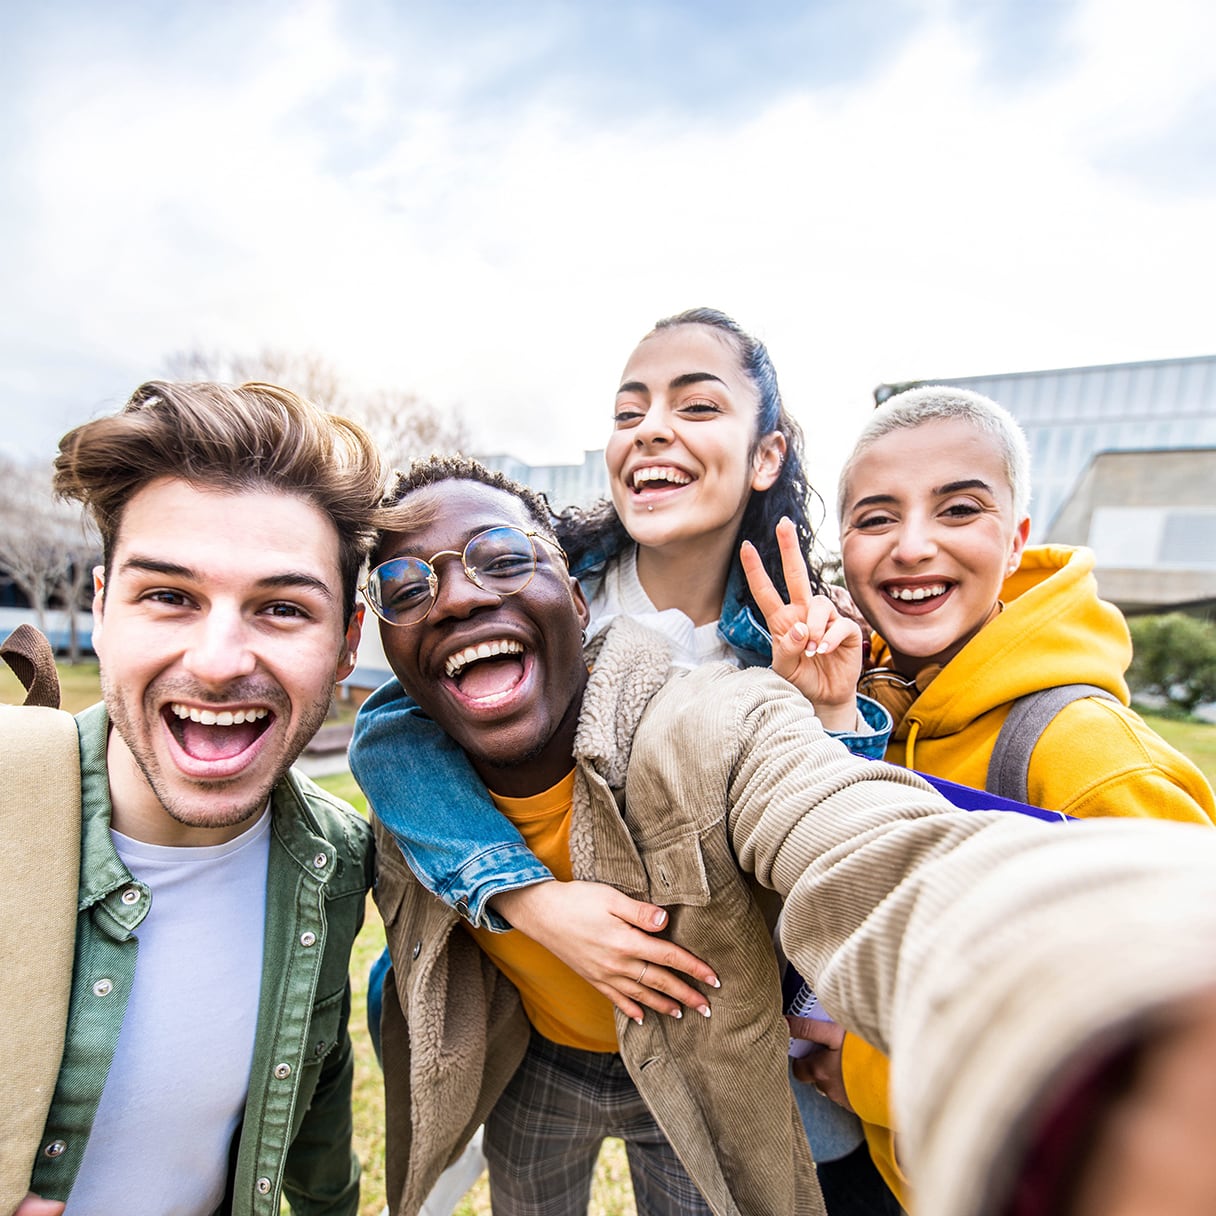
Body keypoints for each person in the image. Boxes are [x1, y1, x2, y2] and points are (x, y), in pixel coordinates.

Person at [353, 309, 895, 1208]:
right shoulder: (537, 586)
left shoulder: (791, 635)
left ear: (767, 455)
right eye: (629, 409)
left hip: (696, 1022)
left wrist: (828, 705)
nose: (651, 427)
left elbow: (822, 835)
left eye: (697, 406)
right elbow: (392, 726)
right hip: (530, 1007)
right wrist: (527, 898)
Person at [762, 384, 1216, 1205]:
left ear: (1016, 542)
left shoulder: (1085, 752)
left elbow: (1172, 1054)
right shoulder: (886, 698)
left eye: (958, 509)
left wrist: (863, 1068)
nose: (912, 545)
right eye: (875, 518)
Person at [13, 381, 385, 1215]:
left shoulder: (337, 862)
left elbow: (318, 1096)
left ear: (345, 645)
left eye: (283, 608)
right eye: (170, 596)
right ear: (103, 608)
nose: (219, 661)